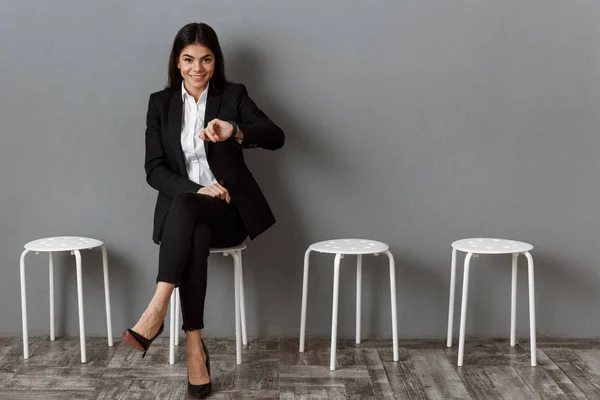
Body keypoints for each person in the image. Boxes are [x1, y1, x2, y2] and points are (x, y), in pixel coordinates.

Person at [121, 22, 284, 399]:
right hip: (186, 215)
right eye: (189, 59)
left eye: (206, 59)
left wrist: (236, 130)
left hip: (230, 212)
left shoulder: (233, 96)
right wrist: (197, 190)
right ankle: (195, 348)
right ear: (177, 63)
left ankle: (156, 309)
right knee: (191, 219)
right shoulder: (159, 104)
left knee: (191, 214)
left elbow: (277, 136)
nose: (198, 68)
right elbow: (154, 169)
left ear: (216, 61)